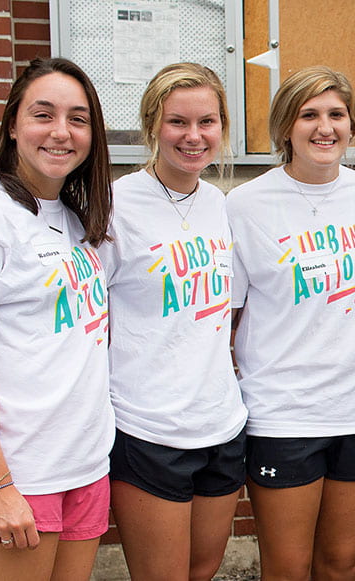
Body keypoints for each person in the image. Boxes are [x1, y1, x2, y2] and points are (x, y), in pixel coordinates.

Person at [0, 56, 114, 581]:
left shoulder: (75, 218)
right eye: (44, 115)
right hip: (14, 473)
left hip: (81, 465)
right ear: (13, 125)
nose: (62, 132)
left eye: (78, 119)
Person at [226, 66, 355, 581]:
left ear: (351, 125)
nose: (325, 127)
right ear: (285, 128)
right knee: (287, 567)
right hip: (283, 411)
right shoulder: (245, 204)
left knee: (342, 564)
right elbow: (228, 311)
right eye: (309, 114)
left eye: (336, 114)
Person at [101, 62, 248, 581]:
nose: (193, 136)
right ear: (151, 127)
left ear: (223, 128)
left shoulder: (220, 205)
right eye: (177, 122)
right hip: (148, 427)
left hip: (221, 422)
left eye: (207, 122)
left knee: (203, 570)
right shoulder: (114, 207)